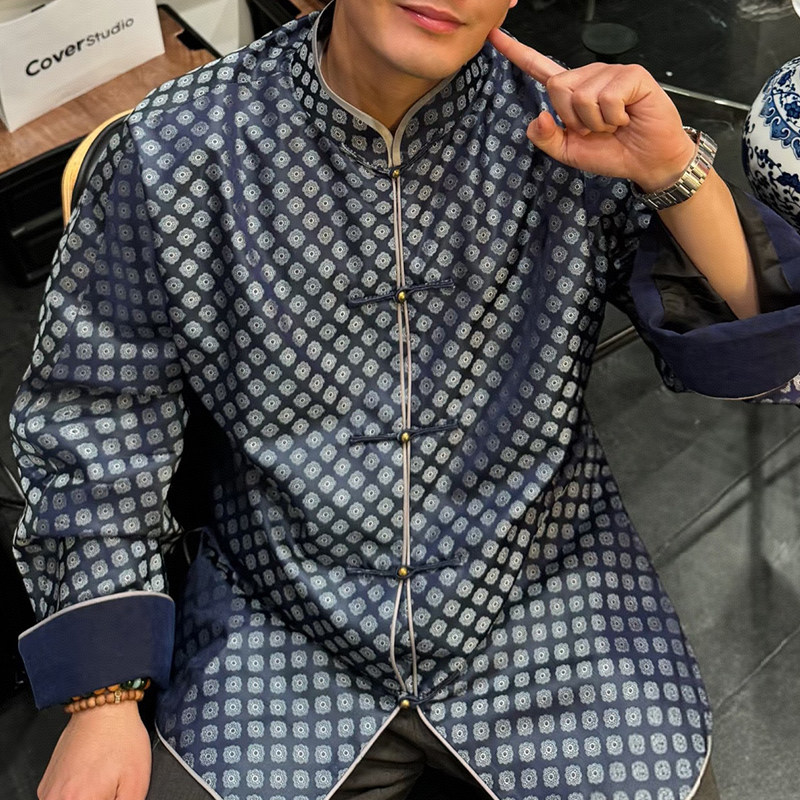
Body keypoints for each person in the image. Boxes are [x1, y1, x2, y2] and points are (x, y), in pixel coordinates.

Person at [9, 1, 800, 799]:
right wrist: (104, 699)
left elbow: (764, 350)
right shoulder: (173, 147)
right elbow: (97, 410)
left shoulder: (573, 132)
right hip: (276, 624)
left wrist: (671, 173)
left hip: (545, 602)